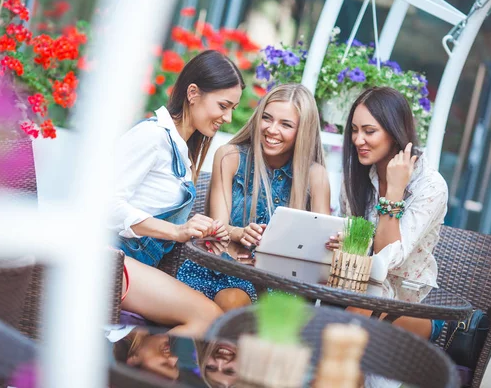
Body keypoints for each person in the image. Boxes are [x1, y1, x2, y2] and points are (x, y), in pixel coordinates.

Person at [108, 50, 245, 334]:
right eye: (223, 105)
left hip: (133, 265)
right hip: (106, 260)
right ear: (193, 93)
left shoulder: (181, 151)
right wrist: (178, 232)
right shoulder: (152, 137)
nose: (228, 117)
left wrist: (199, 235)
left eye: (232, 108)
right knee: (210, 318)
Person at [177, 83, 331, 311]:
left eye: (286, 124)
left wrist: (332, 244)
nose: (271, 129)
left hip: (278, 282)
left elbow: (321, 249)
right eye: (267, 118)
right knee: (234, 301)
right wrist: (240, 232)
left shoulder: (315, 175)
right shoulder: (229, 156)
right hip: (222, 269)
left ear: (302, 132)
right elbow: (217, 226)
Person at [326, 86, 448, 341]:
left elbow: (389, 258)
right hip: (357, 293)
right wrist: (345, 244)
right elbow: (353, 250)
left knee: (349, 323)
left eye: (369, 131)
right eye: (355, 131)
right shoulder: (357, 178)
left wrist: (394, 191)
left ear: (394, 132)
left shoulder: (430, 186)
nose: (358, 140)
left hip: (409, 308)